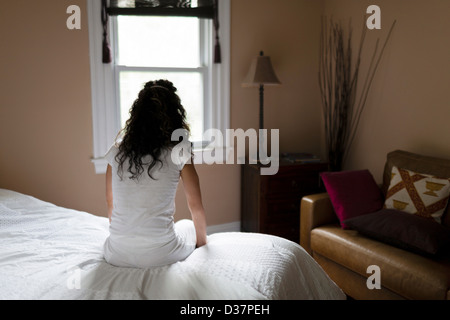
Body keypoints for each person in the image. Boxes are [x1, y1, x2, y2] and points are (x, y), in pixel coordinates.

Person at [103, 79, 207, 268]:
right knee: (186, 225)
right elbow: (195, 206)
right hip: (159, 255)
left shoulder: (116, 152)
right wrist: (202, 245)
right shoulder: (179, 151)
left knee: (180, 226)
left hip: (116, 253)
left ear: (136, 116)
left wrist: (124, 238)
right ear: (175, 115)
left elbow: (110, 202)